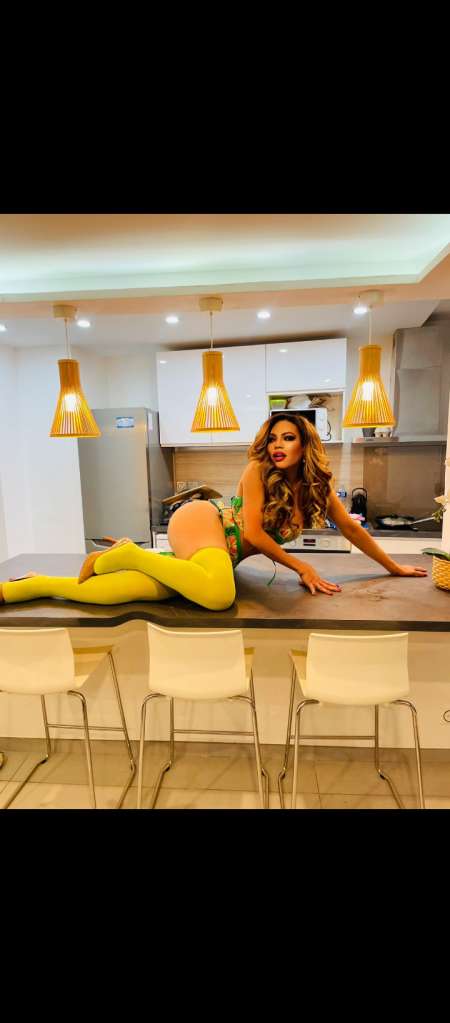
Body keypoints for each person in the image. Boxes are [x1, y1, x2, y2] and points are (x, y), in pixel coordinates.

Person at [0, 413, 427, 611]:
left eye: (288, 437)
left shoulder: (317, 486)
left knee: (145, 590)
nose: (278, 445)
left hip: (221, 552)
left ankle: (30, 587)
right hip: (204, 522)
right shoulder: (257, 470)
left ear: (305, 443)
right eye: (273, 438)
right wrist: (302, 567)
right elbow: (254, 535)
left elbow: (352, 531)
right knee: (220, 596)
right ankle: (129, 554)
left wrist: (393, 567)